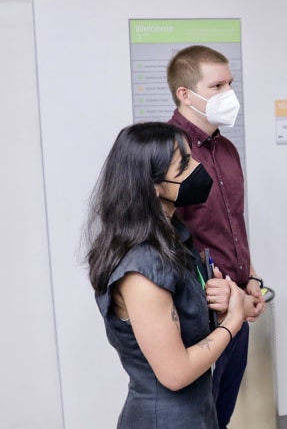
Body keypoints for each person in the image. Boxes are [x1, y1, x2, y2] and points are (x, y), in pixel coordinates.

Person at [86, 122, 247, 428]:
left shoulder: (174, 238)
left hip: (198, 412)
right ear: (151, 185)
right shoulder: (142, 268)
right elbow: (175, 373)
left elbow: (185, 316)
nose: (198, 167)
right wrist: (233, 322)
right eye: (185, 164)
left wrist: (217, 302)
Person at [166, 44, 266, 428]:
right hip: (198, 309)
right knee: (197, 416)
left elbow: (232, 224)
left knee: (221, 413)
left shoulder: (226, 149)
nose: (229, 94)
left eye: (231, 84)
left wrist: (252, 279)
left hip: (237, 304)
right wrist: (214, 292)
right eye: (217, 85)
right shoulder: (167, 150)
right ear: (185, 94)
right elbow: (163, 238)